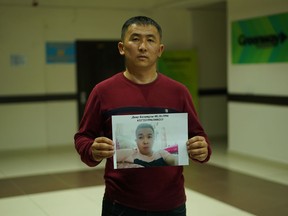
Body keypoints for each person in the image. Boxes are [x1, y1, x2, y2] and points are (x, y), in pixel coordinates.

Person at [74, 15, 211, 216]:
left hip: (171, 204)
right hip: (120, 204)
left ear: (160, 50)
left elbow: (199, 137)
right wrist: (92, 150)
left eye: (150, 40)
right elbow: (83, 137)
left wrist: (202, 149)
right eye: (135, 39)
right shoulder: (103, 91)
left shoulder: (178, 92)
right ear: (122, 47)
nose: (143, 46)